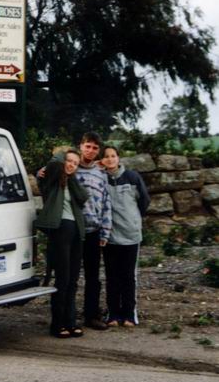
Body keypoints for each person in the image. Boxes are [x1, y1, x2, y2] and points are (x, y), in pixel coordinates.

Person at [36, 150, 89, 338]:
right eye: (69, 161)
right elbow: (53, 163)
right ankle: (57, 324)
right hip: (60, 231)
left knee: (73, 280)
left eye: (75, 163)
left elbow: (83, 197)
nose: (71, 165)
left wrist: (71, 176)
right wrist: (61, 158)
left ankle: (71, 321)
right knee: (62, 279)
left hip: (76, 232)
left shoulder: (73, 183)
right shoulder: (52, 181)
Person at [100, 145, 150, 327]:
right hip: (110, 236)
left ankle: (129, 313)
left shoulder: (132, 177)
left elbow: (144, 200)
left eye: (113, 156)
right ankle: (113, 313)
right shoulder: (101, 178)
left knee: (128, 276)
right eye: (106, 157)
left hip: (130, 234)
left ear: (118, 158)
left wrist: (134, 220)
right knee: (112, 276)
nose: (110, 159)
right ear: (102, 160)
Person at [75, 132, 112, 330]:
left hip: (93, 230)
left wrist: (105, 232)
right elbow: (48, 175)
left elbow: (106, 203)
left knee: (93, 276)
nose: (90, 150)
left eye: (95, 148)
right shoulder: (70, 166)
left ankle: (91, 315)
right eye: (87, 146)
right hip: (73, 230)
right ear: (81, 146)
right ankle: (67, 315)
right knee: (70, 275)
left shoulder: (101, 173)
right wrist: (41, 172)